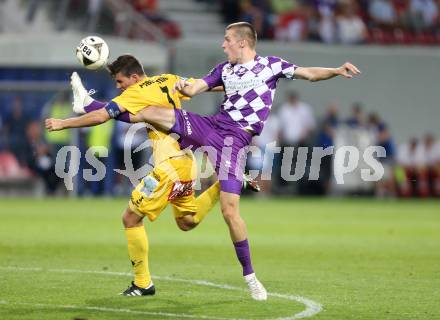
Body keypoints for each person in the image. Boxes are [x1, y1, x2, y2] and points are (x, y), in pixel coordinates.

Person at [48, 21, 360, 300]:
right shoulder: (218, 69)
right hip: (210, 125)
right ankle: (90, 103)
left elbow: (307, 73)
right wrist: (189, 86)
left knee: (228, 211)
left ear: (242, 41)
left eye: (227, 39)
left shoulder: (270, 66)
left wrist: (334, 70)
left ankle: (250, 276)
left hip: (232, 141)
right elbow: (197, 86)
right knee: (151, 120)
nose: (223, 44)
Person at [46, 57, 258, 298]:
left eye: (120, 81)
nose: (119, 86)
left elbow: (103, 117)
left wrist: (64, 123)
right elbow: (203, 85)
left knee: (130, 218)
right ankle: (226, 185)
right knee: (187, 221)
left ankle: (142, 283)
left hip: (168, 168)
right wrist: (239, 85)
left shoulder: (135, 92)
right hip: (186, 164)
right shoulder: (167, 79)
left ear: (134, 77)